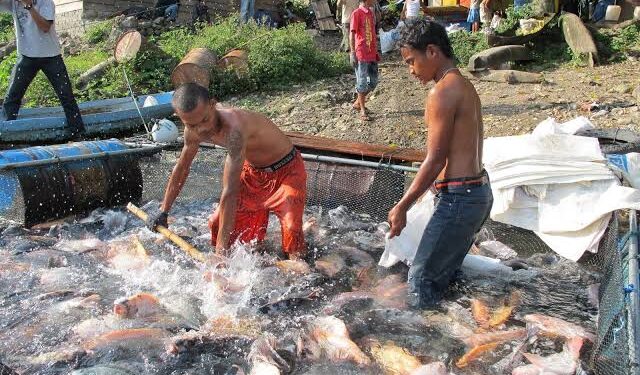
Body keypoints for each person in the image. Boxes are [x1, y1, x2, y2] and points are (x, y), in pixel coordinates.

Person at [387, 19, 493, 309]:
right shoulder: (464, 85)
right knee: (445, 274)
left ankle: (429, 343)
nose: (411, 71)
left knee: (420, 281)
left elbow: (436, 159)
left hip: (459, 199)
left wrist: (402, 206)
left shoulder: (442, 92)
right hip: (478, 193)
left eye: (411, 61)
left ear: (432, 51)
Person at [147, 83, 308, 260]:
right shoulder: (192, 130)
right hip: (253, 173)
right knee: (218, 225)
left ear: (212, 104)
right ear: (180, 117)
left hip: (286, 171)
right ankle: (258, 253)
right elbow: (182, 167)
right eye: (192, 125)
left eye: (205, 120)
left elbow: (229, 192)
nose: (201, 129)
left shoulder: (234, 129)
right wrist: (163, 211)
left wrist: (220, 256)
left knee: (292, 236)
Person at [0, 0, 84, 139]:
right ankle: (6, 134)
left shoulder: (46, 2)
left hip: (51, 56)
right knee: (12, 98)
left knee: (66, 96)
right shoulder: (13, 3)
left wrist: (29, 6)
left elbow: (45, 27)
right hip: (27, 56)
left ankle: (78, 133)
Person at [350, 0, 380, 122]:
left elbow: (372, 33)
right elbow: (351, 34)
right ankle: (362, 109)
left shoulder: (371, 13)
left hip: (371, 52)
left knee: (374, 82)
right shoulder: (356, 13)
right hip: (361, 53)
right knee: (362, 82)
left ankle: (358, 102)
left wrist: (376, 51)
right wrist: (352, 52)